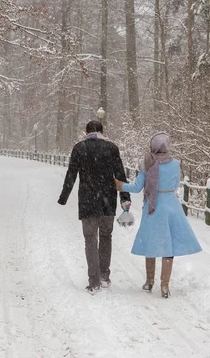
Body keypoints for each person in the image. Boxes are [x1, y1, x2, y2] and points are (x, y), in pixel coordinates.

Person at [115, 132, 201, 298]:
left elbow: (137, 187)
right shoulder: (176, 164)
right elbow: (175, 184)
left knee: (151, 243)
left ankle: (149, 282)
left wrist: (120, 186)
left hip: (153, 207)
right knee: (169, 246)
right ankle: (165, 286)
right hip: (171, 207)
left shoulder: (147, 163)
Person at [58, 120, 131, 293]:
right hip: (107, 200)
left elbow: (71, 174)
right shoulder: (111, 148)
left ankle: (94, 281)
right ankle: (104, 275)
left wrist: (64, 197)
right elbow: (120, 174)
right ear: (102, 131)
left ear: (86, 132)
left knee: (90, 239)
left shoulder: (80, 148)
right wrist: (125, 197)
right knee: (106, 236)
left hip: (87, 200)